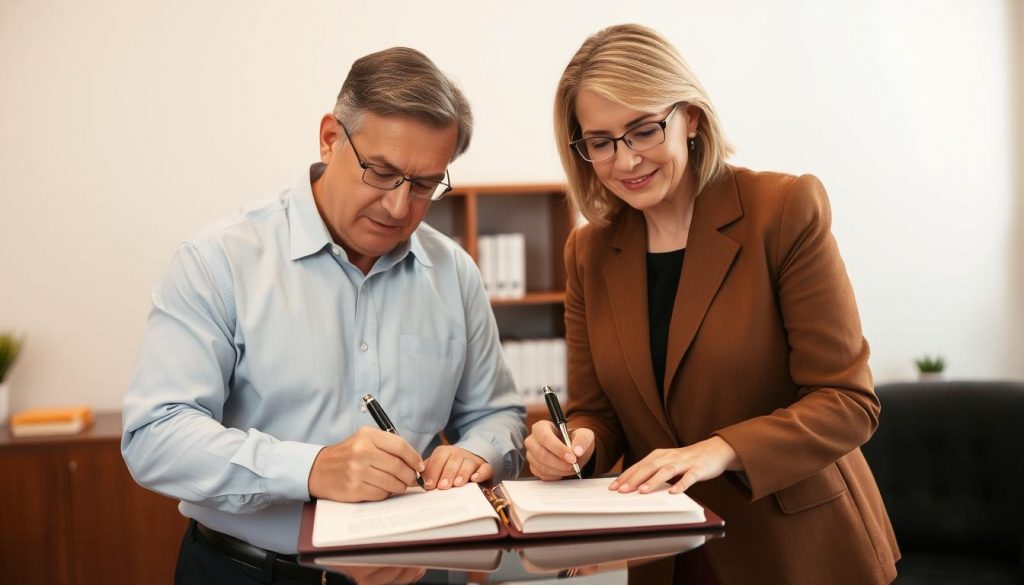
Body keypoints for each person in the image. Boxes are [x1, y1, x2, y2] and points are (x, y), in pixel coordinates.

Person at [122, 47, 526, 584]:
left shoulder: (454, 272)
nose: (399, 207)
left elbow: (497, 415)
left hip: (423, 572)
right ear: (331, 137)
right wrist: (312, 469)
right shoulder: (219, 262)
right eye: (381, 172)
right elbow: (156, 436)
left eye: (426, 184)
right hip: (249, 571)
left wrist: (478, 452)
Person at [525, 24, 899, 585]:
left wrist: (717, 450)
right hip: (668, 554)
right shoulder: (588, 249)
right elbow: (597, 413)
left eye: (644, 130)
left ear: (691, 118)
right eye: (599, 142)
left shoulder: (783, 209)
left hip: (800, 550)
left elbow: (848, 401)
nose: (625, 161)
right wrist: (574, 444)